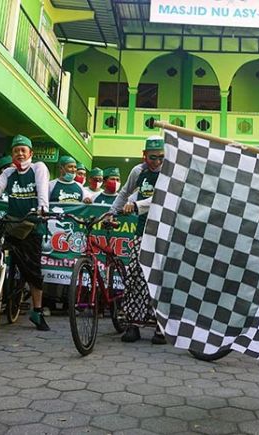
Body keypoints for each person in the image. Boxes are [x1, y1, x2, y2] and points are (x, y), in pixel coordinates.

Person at [0, 134, 51, 331]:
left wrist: (42, 208)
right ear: (12, 154)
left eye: (23, 150)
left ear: (30, 153)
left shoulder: (38, 168)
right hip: (12, 223)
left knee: (33, 270)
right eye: (16, 150)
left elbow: (43, 190)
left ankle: (37, 311)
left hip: (32, 224)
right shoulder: (8, 173)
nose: (19, 153)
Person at [110, 135, 166, 344]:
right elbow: (124, 193)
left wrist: (137, 206)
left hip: (164, 234)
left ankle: (160, 328)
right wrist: (111, 213)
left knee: (159, 280)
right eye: (153, 157)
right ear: (144, 155)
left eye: (161, 157)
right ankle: (133, 325)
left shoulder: (170, 173)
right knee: (135, 277)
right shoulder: (138, 171)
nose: (157, 162)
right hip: (141, 233)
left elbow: (162, 198)